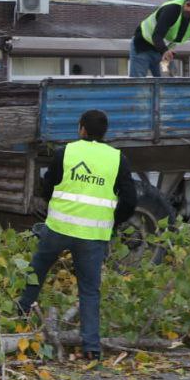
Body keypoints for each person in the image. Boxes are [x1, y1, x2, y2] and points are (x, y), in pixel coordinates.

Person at [16, 109, 137, 360]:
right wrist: (111, 222)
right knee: (90, 290)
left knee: (36, 271)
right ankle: (91, 347)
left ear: (81, 128)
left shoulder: (66, 153)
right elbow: (130, 201)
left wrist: (56, 206)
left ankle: (19, 317)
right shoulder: (117, 159)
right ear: (105, 132)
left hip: (58, 228)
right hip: (93, 235)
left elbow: (46, 186)